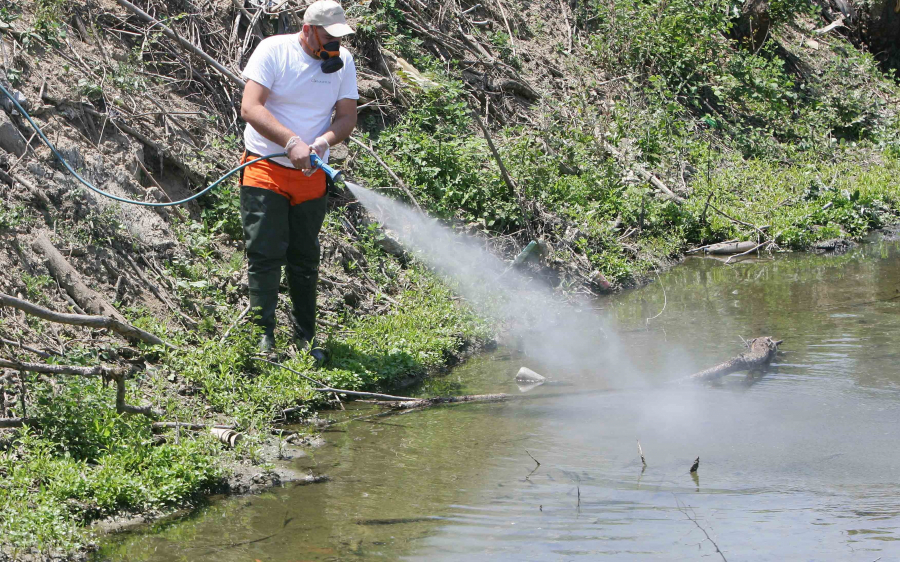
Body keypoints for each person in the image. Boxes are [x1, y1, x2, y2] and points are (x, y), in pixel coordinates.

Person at [239, 0, 358, 358]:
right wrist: (290, 141)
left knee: (305, 257)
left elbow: (347, 117)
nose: (334, 46)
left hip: (310, 176)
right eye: (329, 37)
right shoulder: (274, 51)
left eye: (340, 38)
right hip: (265, 167)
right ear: (308, 30)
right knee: (265, 251)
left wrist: (322, 142)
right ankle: (263, 336)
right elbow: (251, 106)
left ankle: (306, 338)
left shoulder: (344, 64)